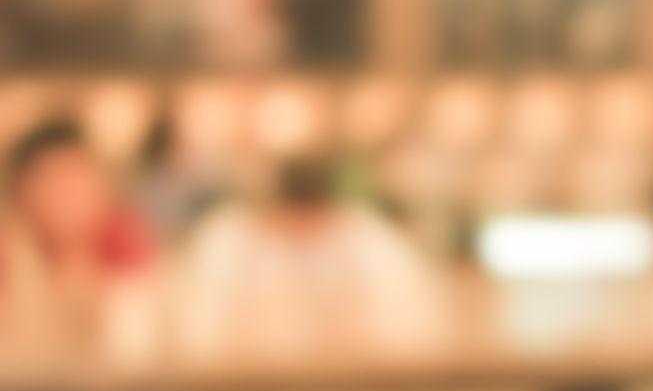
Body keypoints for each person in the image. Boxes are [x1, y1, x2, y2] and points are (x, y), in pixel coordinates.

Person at [168, 154, 449, 365]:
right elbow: (200, 322)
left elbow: (406, 320)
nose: (301, 231)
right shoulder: (229, 238)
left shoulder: (366, 237)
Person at [0, 117, 158, 369]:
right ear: (22, 192)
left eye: (77, 176)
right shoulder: (10, 259)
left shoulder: (128, 246)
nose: (67, 195)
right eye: (51, 180)